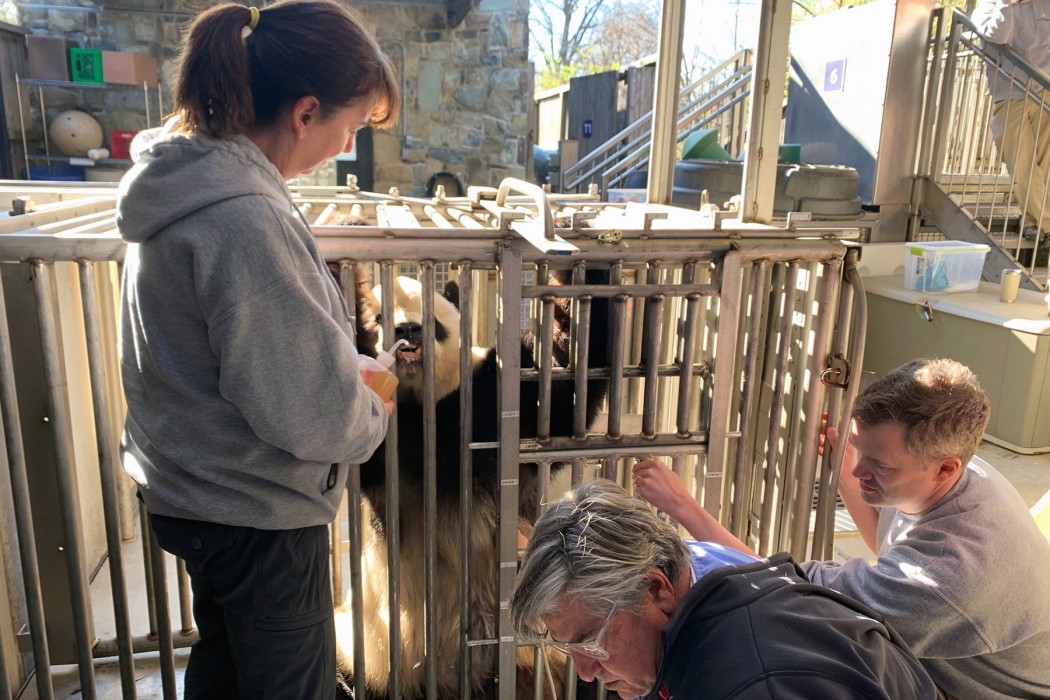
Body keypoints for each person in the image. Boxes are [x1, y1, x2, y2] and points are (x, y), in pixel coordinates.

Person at [117, 2, 400, 697]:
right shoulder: (246, 219)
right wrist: (371, 402)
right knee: (288, 683)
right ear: (306, 112)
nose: (343, 147)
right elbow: (308, 412)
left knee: (225, 666)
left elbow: (243, 356)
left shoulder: (185, 188)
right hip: (257, 516)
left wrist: (334, 369)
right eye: (351, 128)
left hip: (193, 493)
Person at [633, 358, 1050, 699]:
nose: (856, 468)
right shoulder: (960, 475)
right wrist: (852, 471)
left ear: (945, 467)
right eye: (858, 448)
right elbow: (884, 538)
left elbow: (779, 592)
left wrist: (682, 507)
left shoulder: (948, 576)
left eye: (879, 464)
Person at [511, 479, 940, 700]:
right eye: (571, 648)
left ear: (656, 589)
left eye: (592, 642)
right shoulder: (692, 586)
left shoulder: (748, 683)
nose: (585, 671)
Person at [972, 0, 1050, 242]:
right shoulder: (986, 7)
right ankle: (1047, 224)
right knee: (1020, 164)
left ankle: (1033, 223)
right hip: (1010, 94)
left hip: (1045, 92)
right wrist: (1006, 4)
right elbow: (997, 35)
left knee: (1045, 165)